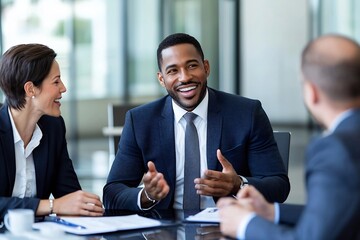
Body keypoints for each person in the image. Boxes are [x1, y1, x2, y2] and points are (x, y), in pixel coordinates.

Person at [103, 33, 290, 211]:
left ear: (206, 67)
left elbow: (279, 186)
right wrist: (147, 195)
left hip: (228, 224)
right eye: (173, 70)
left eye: (192, 66)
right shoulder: (140, 121)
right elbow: (112, 193)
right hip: (165, 229)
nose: (184, 77)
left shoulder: (247, 113)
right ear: (162, 79)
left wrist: (237, 184)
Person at [217, 34, 360, 239]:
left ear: (312, 92)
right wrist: (272, 212)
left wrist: (244, 224)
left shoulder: (335, 149)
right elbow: (334, 214)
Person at [0, 44, 104, 220]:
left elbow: (69, 193)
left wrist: (86, 205)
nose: (63, 88)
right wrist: (51, 205)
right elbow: (60, 203)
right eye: (56, 81)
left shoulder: (53, 127)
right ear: (30, 89)